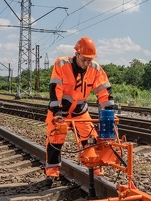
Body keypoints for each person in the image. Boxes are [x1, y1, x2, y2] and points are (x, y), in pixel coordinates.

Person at [45, 37, 114, 178]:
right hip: (60, 111)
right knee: (54, 139)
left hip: (80, 111)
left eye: (90, 60)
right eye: (84, 60)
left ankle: (94, 168)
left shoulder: (95, 69)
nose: (87, 63)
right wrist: (57, 114)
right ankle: (52, 173)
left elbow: (104, 93)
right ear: (76, 54)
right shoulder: (61, 64)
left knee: (90, 138)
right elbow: (55, 90)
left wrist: (108, 116)